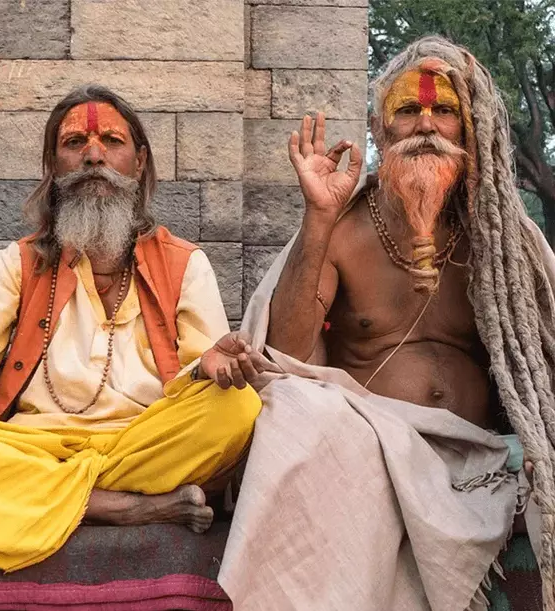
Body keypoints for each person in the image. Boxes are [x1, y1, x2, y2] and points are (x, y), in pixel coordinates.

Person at [0, 85, 264, 572]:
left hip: (142, 443)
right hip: (37, 444)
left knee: (239, 406)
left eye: (112, 141)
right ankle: (116, 505)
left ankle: (53, 496)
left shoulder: (185, 264)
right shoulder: (18, 263)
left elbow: (201, 377)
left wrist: (209, 369)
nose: (94, 156)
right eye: (75, 144)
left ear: (138, 163)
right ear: (54, 168)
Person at [218, 36, 555, 609]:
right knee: (298, 410)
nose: (426, 123)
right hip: (366, 439)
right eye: (408, 109)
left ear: (470, 128)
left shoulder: (503, 242)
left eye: (444, 110)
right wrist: (318, 218)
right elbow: (288, 356)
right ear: (380, 130)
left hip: (479, 453)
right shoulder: (342, 228)